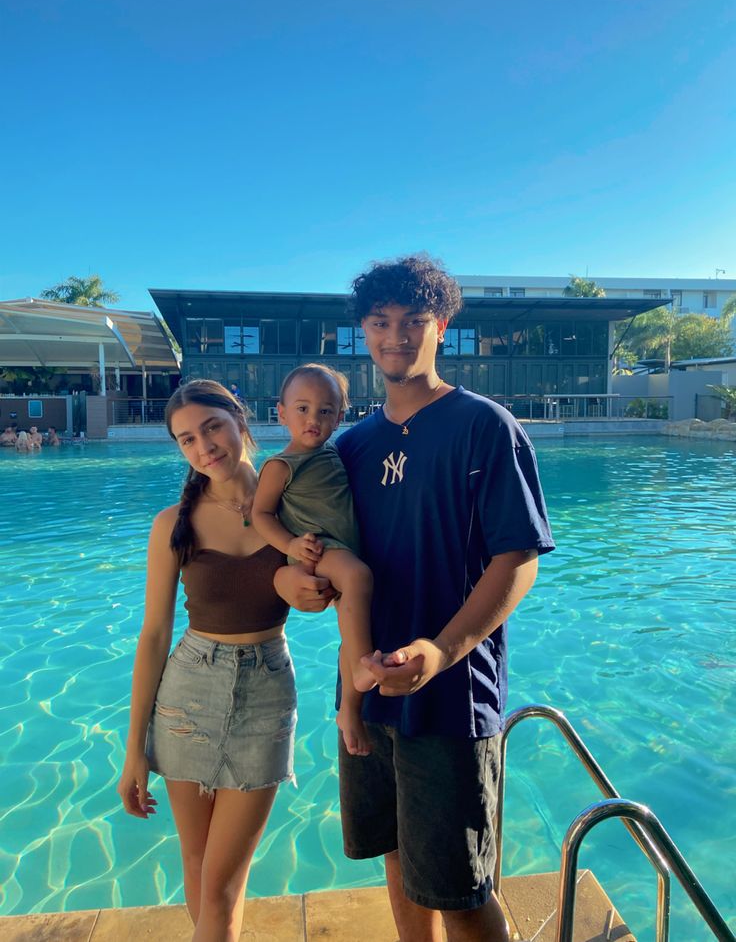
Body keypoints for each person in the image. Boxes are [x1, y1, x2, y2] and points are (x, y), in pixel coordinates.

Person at [275, 254, 554, 942]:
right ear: (362, 332)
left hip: (450, 697)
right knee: (397, 860)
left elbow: (517, 561)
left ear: (442, 327)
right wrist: (299, 584)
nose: (395, 335)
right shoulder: (352, 445)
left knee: (460, 888)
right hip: (367, 688)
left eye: (413, 321)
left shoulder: (484, 426)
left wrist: (440, 649)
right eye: (380, 322)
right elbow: (319, 549)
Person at [118, 379, 296, 942]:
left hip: (267, 693)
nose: (204, 447)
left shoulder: (294, 507)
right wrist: (133, 752)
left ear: (241, 422)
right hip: (187, 693)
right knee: (199, 869)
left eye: (212, 427)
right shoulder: (174, 524)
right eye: (186, 439)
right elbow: (153, 636)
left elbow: (332, 581)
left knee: (222, 881)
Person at [252, 364, 376, 757]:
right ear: (281, 413)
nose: (313, 419)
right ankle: (362, 666)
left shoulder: (333, 453)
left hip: (341, 544)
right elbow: (260, 515)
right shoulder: (280, 466)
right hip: (322, 549)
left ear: (340, 417)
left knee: (350, 632)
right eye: (302, 409)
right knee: (358, 578)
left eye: (325, 411)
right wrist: (291, 546)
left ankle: (349, 710)